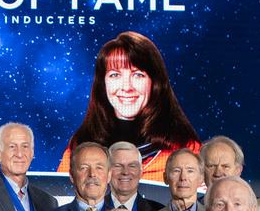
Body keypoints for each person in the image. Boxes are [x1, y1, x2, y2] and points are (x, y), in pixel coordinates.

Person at [60, 32, 201, 182]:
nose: (126, 87)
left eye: (138, 75)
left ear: (155, 83)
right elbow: (60, 199)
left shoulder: (186, 150)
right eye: (115, 75)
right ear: (103, 84)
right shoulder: (78, 148)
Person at [0, 122, 58, 211]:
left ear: (32, 152)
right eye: (12, 146)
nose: (19, 154)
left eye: (25, 146)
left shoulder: (49, 202)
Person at [108, 141, 165, 211]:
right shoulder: (91, 210)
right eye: (118, 166)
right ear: (107, 171)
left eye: (132, 166)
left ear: (141, 171)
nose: (125, 172)